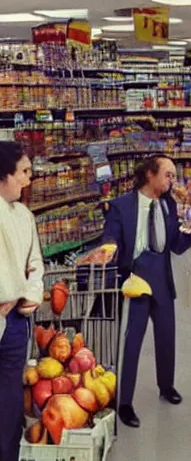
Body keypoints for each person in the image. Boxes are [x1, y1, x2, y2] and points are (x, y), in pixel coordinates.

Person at [103, 154, 191, 428]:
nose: (172, 180)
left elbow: (176, 246)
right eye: (168, 174)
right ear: (150, 175)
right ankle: (124, 403)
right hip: (134, 280)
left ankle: (166, 385)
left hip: (161, 278)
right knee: (131, 343)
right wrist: (108, 252)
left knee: (167, 335)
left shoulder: (168, 204)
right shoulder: (122, 207)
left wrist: (189, 230)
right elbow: (110, 238)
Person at [0, 141, 42, 461]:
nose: (29, 179)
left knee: (10, 397)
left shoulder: (25, 215)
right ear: (4, 176)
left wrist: (33, 293)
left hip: (15, 320)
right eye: (24, 172)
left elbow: (35, 264)